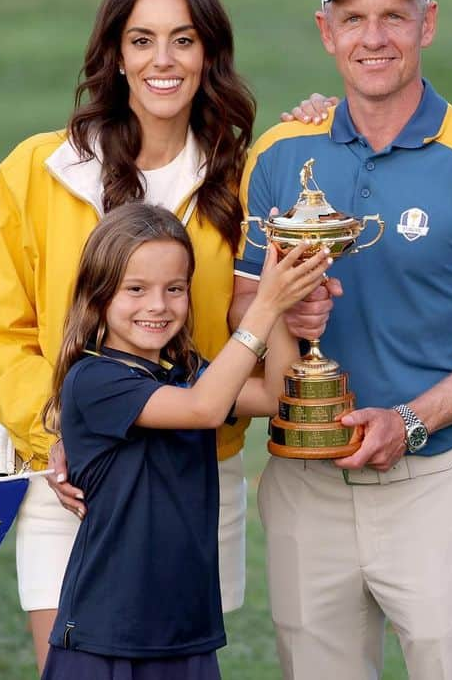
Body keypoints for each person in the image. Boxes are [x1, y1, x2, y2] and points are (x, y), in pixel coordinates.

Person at [234, 0, 452, 680]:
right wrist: (285, 313)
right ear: (325, 32)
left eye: (394, 15)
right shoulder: (280, 153)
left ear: (427, 23)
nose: (373, 37)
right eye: (352, 17)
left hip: (435, 480)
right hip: (305, 478)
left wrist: (410, 422)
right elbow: (242, 300)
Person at [0, 0, 256, 673]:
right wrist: (59, 431)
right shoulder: (38, 170)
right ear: (115, 55)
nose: (163, 60)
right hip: (70, 487)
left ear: (209, 55)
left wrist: (316, 121)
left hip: (192, 483)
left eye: (184, 41)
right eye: (142, 39)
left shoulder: (244, 179)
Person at [39, 203, 330, 679]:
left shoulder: (185, 371)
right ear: (99, 296)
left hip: (183, 625)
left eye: (174, 289)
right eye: (136, 289)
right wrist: (264, 308)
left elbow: (279, 395)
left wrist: (278, 306)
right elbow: (204, 410)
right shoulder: (94, 380)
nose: (158, 305)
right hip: (107, 630)